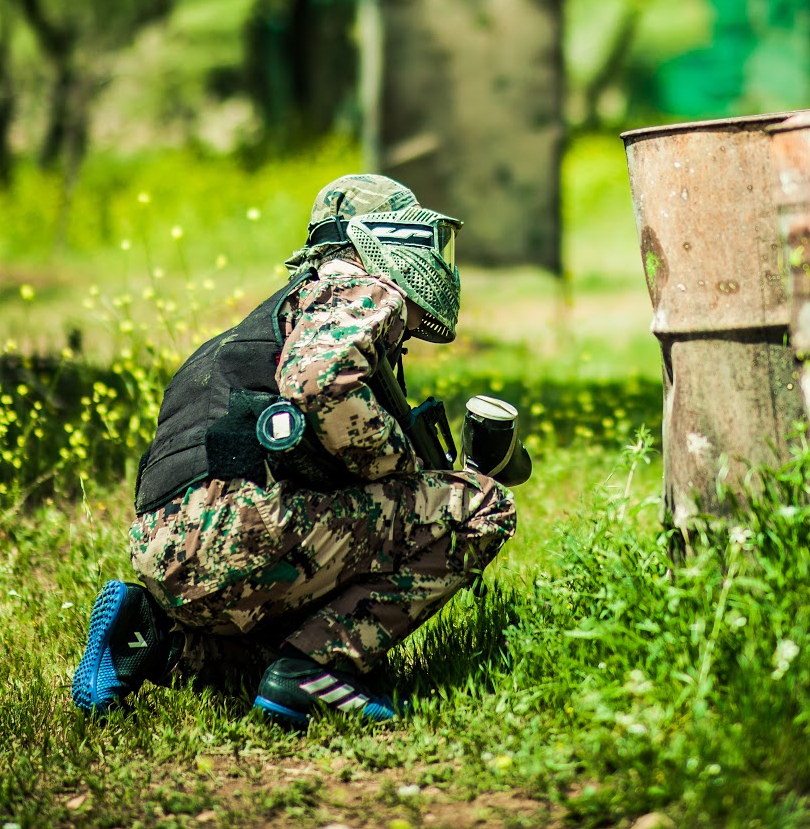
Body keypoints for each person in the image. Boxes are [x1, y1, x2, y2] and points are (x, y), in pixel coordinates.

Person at [71, 175, 519, 725]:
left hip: (165, 553)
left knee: (258, 661)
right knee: (480, 506)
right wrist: (400, 467)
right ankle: (318, 671)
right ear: (377, 239)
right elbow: (317, 381)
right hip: (242, 532)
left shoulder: (260, 327)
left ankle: (154, 635)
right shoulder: (359, 283)